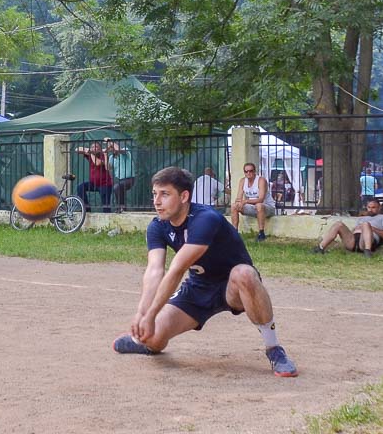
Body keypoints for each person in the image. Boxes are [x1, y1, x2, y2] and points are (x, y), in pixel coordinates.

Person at [112, 167, 298, 377]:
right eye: (155, 194)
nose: (157, 201)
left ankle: (274, 349)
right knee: (152, 337)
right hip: (198, 288)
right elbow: (154, 271)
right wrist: (143, 313)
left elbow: (177, 269)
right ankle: (145, 343)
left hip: (233, 286)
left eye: (165, 194)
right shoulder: (157, 226)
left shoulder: (205, 218)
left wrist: (151, 313)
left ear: (184, 196)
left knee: (244, 273)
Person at [312, 199, 383, 258]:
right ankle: (320, 248)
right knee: (338, 224)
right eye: (369, 207)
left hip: (367, 242)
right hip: (353, 241)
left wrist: (371, 228)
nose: (370, 210)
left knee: (365, 224)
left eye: (373, 207)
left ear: (379, 208)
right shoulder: (362, 218)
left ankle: (367, 252)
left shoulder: (381, 217)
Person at [231, 162, 276, 242]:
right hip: (253, 207)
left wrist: (245, 201)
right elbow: (239, 197)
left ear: (255, 171)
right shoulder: (242, 181)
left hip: (267, 207)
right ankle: (234, 233)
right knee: (234, 206)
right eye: (246, 171)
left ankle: (261, 233)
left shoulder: (261, 180)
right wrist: (239, 203)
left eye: (251, 171)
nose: (248, 173)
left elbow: (261, 199)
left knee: (259, 205)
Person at [76, 141, 113, 212]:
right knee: (80, 187)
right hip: (93, 184)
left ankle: (108, 221)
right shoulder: (90, 155)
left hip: (105, 184)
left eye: (96, 147)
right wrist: (87, 150)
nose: (95, 148)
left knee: (106, 207)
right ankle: (86, 208)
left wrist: (90, 153)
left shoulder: (103, 155)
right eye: (93, 147)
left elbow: (97, 163)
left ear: (100, 149)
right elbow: (77, 149)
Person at [104, 137, 135, 212]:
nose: (110, 148)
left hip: (130, 179)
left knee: (117, 187)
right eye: (109, 147)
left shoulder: (125, 150)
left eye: (111, 146)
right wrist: (105, 155)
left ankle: (121, 207)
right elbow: (108, 168)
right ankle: (122, 208)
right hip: (120, 180)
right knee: (118, 188)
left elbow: (118, 149)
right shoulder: (112, 157)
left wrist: (110, 141)